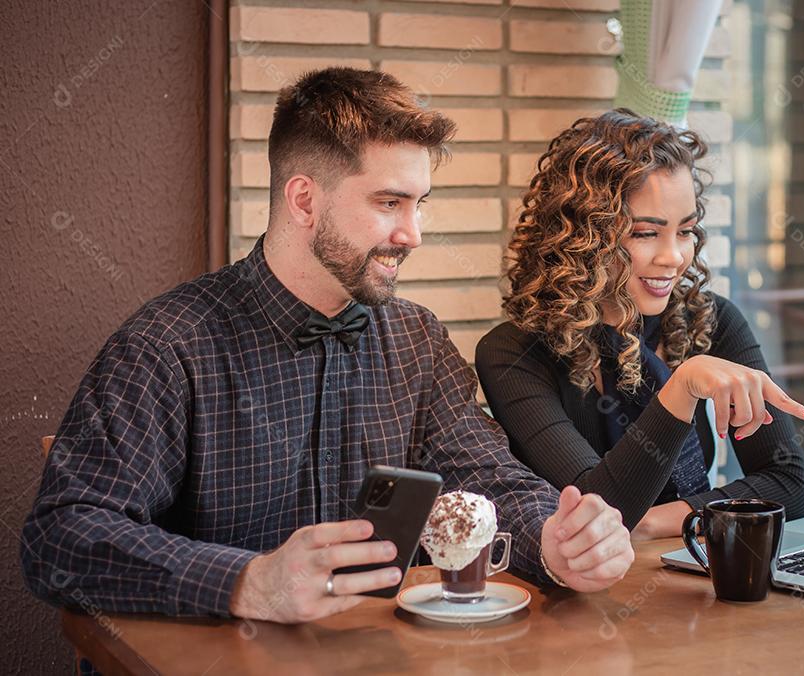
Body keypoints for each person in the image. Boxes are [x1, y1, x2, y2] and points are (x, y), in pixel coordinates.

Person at [21, 68, 633, 625]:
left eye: (419, 205)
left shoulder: (417, 339)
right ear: (304, 200)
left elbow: (488, 479)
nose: (413, 235)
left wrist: (557, 541)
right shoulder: (167, 345)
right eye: (388, 203)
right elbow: (60, 536)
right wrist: (247, 582)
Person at [475, 110, 804, 541]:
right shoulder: (513, 353)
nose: (673, 257)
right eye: (644, 233)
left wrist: (653, 524)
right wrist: (681, 389)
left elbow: (791, 488)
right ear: (582, 236)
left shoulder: (710, 321)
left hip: (691, 563)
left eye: (685, 231)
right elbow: (597, 509)